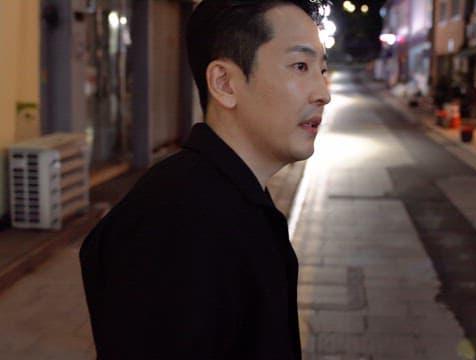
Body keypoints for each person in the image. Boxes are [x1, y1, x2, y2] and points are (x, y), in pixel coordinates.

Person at [79, 0, 331, 358]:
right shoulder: (180, 222)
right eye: (300, 66)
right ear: (224, 82)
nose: (323, 92)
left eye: (322, 69)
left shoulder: (232, 198)